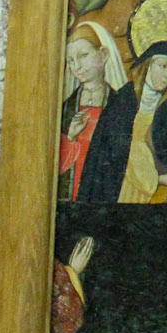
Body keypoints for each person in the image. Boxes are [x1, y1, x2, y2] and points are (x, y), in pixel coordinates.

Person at [58, 21, 136, 204]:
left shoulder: (120, 104)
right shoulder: (67, 107)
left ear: (104, 54)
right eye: (71, 60)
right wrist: (70, 137)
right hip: (72, 191)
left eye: (83, 55)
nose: (77, 66)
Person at [116, 39, 167, 203]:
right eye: (163, 66)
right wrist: (157, 179)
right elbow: (122, 146)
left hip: (149, 183)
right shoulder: (125, 97)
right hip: (126, 182)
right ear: (148, 65)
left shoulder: (164, 108)